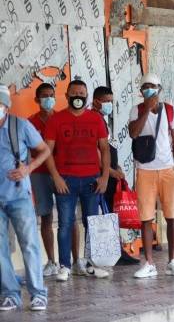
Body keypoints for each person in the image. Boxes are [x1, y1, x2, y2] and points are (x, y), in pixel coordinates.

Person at [44, 80, 110, 282]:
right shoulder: (56, 120)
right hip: (66, 180)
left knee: (92, 223)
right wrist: (56, 177)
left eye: (82, 93)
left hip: (92, 180)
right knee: (65, 223)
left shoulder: (96, 119)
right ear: (67, 96)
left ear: (87, 96)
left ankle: (91, 264)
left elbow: (105, 149)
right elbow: (47, 151)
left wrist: (105, 176)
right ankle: (64, 266)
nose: (78, 96)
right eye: (74, 93)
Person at [128, 73, 174, 278]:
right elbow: (133, 133)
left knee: (171, 216)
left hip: (167, 170)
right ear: (141, 91)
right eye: (145, 87)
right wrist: (146, 111)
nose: (149, 90)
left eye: (152, 87)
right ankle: (149, 263)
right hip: (145, 170)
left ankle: (172, 261)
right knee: (146, 218)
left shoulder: (169, 110)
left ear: (159, 89)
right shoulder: (136, 110)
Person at [0, 84, 51, 312]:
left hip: (19, 195)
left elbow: (44, 150)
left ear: (6, 106)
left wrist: (28, 169)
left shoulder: (20, 125)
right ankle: (10, 294)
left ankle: (38, 293)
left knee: (29, 245)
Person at [28, 83, 81, 276]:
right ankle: (51, 261)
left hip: (64, 174)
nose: (48, 99)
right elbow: (26, 150)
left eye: (51, 95)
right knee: (46, 216)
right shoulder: (30, 122)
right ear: (37, 99)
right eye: (44, 96)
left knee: (70, 217)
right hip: (40, 174)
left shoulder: (62, 119)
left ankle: (76, 261)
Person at [91, 86, 139, 266]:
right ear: (96, 101)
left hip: (111, 172)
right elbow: (95, 151)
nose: (110, 104)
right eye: (106, 101)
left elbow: (107, 148)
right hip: (104, 176)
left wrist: (116, 166)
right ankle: (113, 252)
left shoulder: (102, 119)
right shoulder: (94, 119)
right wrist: (110, 172)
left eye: (111, 101)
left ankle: (117, 250)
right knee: (107, 213)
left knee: (112, 212)